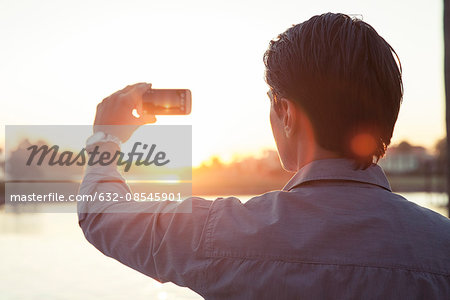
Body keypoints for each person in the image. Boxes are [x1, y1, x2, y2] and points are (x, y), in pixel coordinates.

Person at [78, 12, 450, 299]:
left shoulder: (225, 234)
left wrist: (106, 137)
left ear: (286, 112)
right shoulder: (442, 244)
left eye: (272, 104)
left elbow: (101, 214)